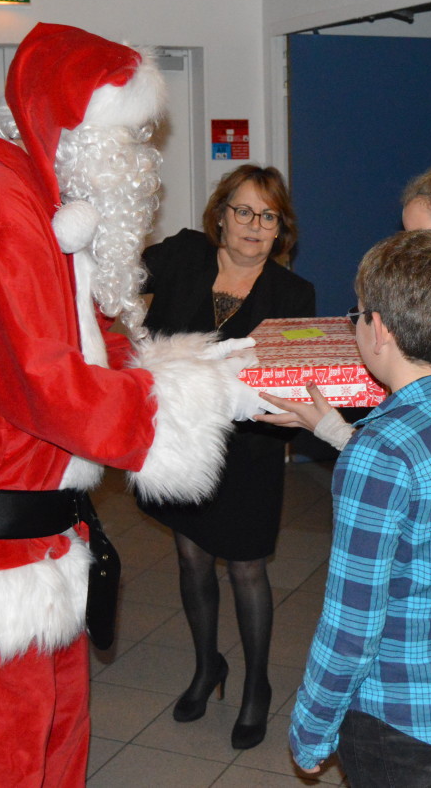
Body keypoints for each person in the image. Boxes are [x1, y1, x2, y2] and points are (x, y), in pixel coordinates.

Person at [0, 22, 264, 788]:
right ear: (70, 129)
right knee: (5, 754)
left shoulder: (39, 205)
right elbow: (46, 383)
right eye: (125, 137)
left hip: (40, 535)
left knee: (58, 730)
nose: (138, 159)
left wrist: (200, 366)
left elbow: (86, 344)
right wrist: (201, 395)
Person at [260, 137, 431, 786]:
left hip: (398, 711)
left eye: (357, 314)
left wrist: (312, 726)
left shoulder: (381, 452)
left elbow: (351, 624)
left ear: (378, 329)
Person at [137, 165, 315, 750]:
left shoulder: (293, 294)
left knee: (247, 568)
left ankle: (257, 685)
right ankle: (207, 665)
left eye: (268, 216)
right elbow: (115, 273)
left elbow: (294, 383)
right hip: (183, 444)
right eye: (243, 211)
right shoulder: (183, 257)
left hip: (249, 452)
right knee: (191, 557)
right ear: (220, 215)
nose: (253, 225)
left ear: (280, 229)